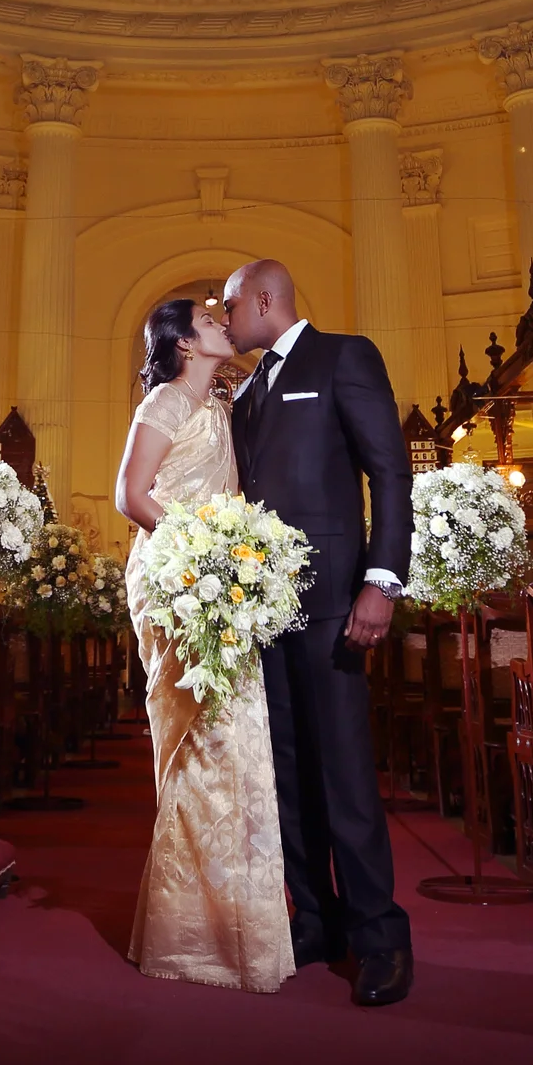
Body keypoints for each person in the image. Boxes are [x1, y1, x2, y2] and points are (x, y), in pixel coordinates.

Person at [220, 258, 415, 1007]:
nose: (226, 316)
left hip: (336, 597)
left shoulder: (344, 356)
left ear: (266, 299)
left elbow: (388, 471)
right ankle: (316, 921)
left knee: (344, 771)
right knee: (287, 773)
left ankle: (380, 936)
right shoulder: (245, 393)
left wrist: (381, 578)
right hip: (261, 606)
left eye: (231, 304)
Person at [113, 295, 292, 992]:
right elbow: (131, 495)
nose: (223, 322)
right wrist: (201, 552)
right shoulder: (163, 403)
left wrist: (228, 563)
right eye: (210, 320)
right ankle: (192, 936)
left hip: (220, 581)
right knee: (205, 740)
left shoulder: (220, 400)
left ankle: (234, 929)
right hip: (177, 580)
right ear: (184, 343)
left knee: (238, 744)